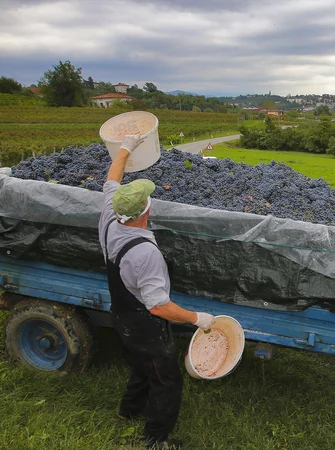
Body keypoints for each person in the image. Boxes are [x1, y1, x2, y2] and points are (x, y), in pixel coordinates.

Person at [99, 134, 216, 450]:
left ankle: (127, 412)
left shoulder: (111, 212)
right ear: (145, 212)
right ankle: (156, 439)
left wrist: (125, 147)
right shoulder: (144, 254)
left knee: (140, 364)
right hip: (142, 323)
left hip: (121, 314)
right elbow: (158, 306)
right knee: (166, 381)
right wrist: (198, 318)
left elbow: (112, 178)